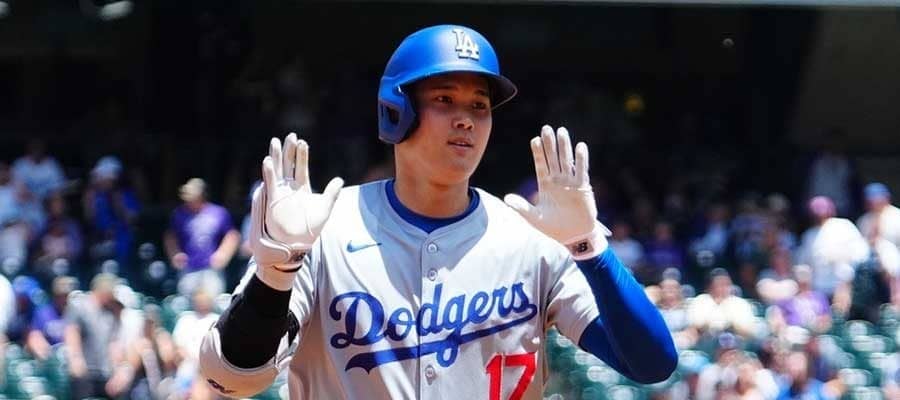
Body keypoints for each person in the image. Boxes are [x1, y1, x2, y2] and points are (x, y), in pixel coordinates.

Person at [199, 25, 676, 399]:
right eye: (445, 99)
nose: (466, 118)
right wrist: (276, 274)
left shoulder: (533, 241)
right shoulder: (323, 229)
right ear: (396, 111)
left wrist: (590, 249)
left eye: (480, 105)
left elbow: (652, 364)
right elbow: (231, 377)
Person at [164, 178, 240, 296]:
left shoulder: (218, 212)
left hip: (211, 268)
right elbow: (170, 236)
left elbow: (232, 235)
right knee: (187, 302)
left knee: (213, 300)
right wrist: (175, 253)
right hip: (188, 268)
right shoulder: (179, 213)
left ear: (201, 195)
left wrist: (223, 254)